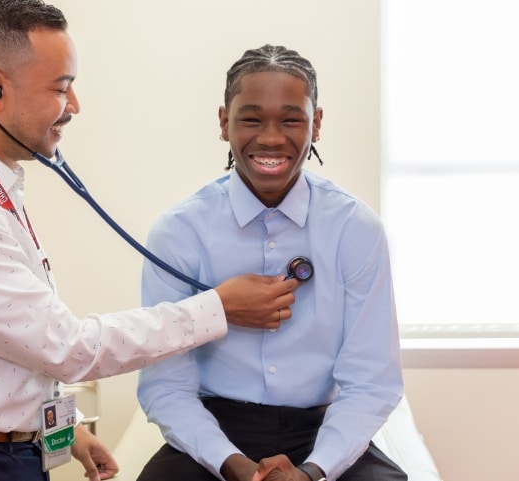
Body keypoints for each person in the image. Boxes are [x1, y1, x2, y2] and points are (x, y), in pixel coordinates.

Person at [0, 3, 299, 481]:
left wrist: (59, 427)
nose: (74, 106)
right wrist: (218, 307)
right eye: (60, 87)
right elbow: (66, 347)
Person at [136, 45, 407, 481]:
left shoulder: (355, 228)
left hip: (321, 431)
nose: (271, 138)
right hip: (217, 431)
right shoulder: (179, 231)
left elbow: (371, 380)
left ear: (316, 123)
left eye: (291, 119)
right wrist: (234, 465)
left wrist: (313, 471)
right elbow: (166, 386)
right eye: (251, 118)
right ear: (224, 122)